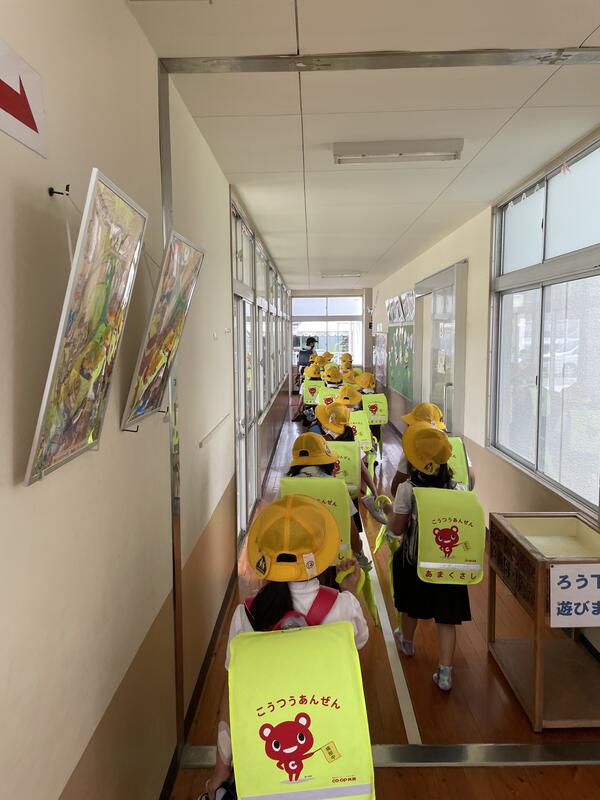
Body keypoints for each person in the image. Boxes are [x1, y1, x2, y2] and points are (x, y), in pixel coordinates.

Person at [205, 494, 367, 799]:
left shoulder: (246, 616)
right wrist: (349, 591)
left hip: (267, 748)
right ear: (320, 552)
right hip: (327, 744)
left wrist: (220, 772)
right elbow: (359, 642)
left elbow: (231, 698)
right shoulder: (343, 607)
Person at [363, 423, 470, 692]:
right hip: (449, 566)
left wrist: (388, 512)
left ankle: (407, 642)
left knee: (411, 606)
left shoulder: (407, 489)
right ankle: (445, 673)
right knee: (447, 617)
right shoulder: (458, 489)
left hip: (415, 562)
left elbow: (398, 529)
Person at [286, 432, 371, 572]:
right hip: (333, 561)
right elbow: (352, 533)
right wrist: (359, 552)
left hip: (296, 563)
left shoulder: (286, 486)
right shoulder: (337, 487)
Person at [308, 403, 378, 497]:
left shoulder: (320, 440)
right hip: (348, 491)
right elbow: (363, 470)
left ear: (328, 422)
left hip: (324, 490)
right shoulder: (351, 441)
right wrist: (375, 493)